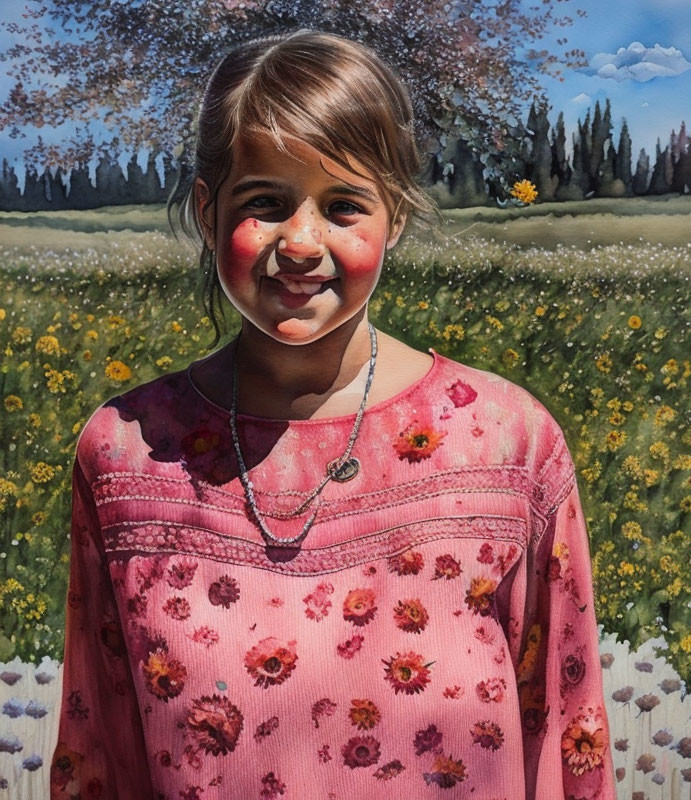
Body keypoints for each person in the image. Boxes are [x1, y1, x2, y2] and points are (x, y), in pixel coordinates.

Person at [50, 29, 616, 800]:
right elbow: (99, 755)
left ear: (398, 218)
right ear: (208, 211)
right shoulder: (126, 454)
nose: (302, 243)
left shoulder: (507, 444)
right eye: (265, 203)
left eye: (344, 205)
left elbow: (563, 738)